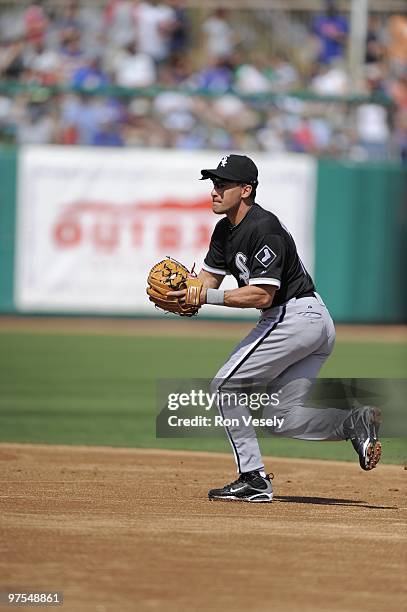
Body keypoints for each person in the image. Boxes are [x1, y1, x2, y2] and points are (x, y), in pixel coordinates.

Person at [169, 154, 382, 503]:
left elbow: (262, 294)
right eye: (213, 183)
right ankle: (353, 425)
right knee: (281, 418)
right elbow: (207, 278)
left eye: (223, 184)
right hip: (309, 322)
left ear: (246, 190)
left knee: (225, 386)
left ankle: (253, 478)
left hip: (293, 317)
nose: (215, 190)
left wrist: (204, 297)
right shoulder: (225, 230)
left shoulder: (263, 227)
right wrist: (187, 290)